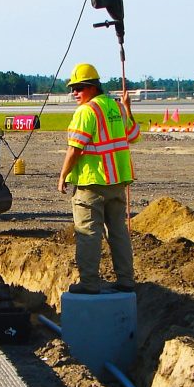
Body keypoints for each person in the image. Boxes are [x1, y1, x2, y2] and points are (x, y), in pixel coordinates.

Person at [57, 63, 140, 295]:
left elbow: (75, 148)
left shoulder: (86, 111)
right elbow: (133, 135)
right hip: (116, 183)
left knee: (88, 234)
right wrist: (128, 109)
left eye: (79, 88)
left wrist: (63, 175)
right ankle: (126, 280)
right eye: (73, 88)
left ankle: (89, 283)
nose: (75, 92)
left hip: (91, 184)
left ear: (93, 87)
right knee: (119, 232)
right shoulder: (116, 108)